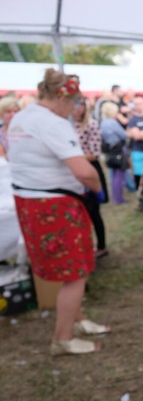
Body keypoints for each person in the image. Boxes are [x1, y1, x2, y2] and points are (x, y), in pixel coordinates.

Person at [8, 69, 110, 356]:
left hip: (31, 202)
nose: (76, 107)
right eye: (75, 100)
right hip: (55, 206)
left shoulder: (22, 116)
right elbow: (83, 170)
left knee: (71, 271)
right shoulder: (53, 123)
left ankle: (76, 320)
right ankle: (62, 338)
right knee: (76, 272)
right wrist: (95, 186)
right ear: (64, 97)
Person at [72, 98, 108, 258]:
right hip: (73, 171)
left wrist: (71, 158)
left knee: (94, 211)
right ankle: (83, 247)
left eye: (79, 104)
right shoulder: (66, 124)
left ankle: (101, 246)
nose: (75, 108)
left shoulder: (91, 124)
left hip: (88, 169)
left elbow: (94, 153)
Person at [100, 102, 130, 205]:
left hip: (110, 151)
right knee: (119, 175)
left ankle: (116, 196)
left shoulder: (103, 123)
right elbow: (123, 135)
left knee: (114, 175)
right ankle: (118, 198)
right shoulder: (112, 123)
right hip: (118, 150)